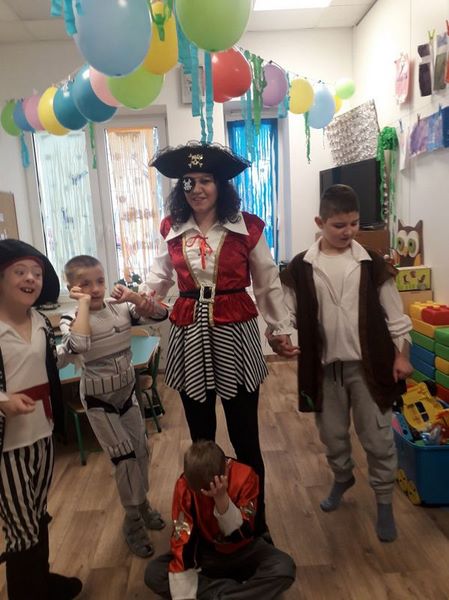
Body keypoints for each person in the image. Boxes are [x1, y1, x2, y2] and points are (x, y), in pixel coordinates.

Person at [143, 142, 294, 536]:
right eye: (189, 181)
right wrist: (141, 299)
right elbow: (158, 277)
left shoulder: (247, 227)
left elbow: (267, 282)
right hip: (189, 332)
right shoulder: (172, 228)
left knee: (246, 438)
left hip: (235, 331)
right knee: (202, 442)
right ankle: (209, 524)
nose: (196, 188)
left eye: (206, 180)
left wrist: (280, 329)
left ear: (220, 185)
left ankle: (257, 524)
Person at [269, 184, 413, 542]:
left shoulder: (372, 263)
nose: (348, 231)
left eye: (354, 223)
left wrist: (401, 354)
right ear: (320, 222)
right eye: (339, 225)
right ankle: (343, 476)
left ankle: (383, 500)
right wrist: (279, 335)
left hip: (369, 368)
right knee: (332, 436)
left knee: (378, 437)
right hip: (324, 370)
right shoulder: (301, 267)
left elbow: (396, 317)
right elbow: (285, 313)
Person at [59, 255, 168, 558]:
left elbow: (160, 315)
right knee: (125, 458)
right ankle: (132, 523)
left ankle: (142, 505)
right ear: (72, 288)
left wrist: (134, 297)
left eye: (100, 281)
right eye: (85, 284)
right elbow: (79, 345)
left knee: (141, 451)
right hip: (99, 402)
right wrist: (82, 305)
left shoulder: (120, 309)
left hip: (127, 393)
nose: (95, 289)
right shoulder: (71, 317)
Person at [0, 239, 82, 600]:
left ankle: (41, 582)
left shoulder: (40, 322)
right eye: (20, 271)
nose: (31, 278)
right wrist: (2, 400)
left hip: (42, 433)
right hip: (7, 446)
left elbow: (52, 362)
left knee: (37, 514)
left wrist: (71, 349)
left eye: (36, 272)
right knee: (21, 528)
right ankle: (27, 592)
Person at [144, 440, 296, 599]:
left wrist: (221, 498)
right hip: (206, 554)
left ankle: (217, 593)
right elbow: (182, 536)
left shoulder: (246, 477)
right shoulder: (184, 485)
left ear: (227, 468)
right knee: (154, 573)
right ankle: (236, 593)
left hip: (244, 550)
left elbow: (243, 532)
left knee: (284, 568)